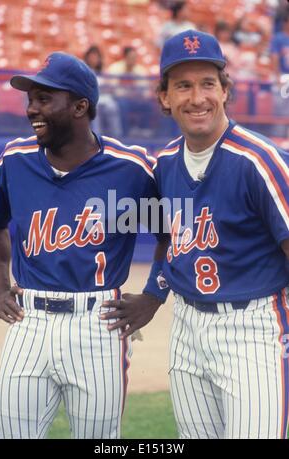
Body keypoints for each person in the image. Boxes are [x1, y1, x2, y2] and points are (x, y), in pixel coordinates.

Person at [101, 29, 289, 439]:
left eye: (208, 83)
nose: (197, 97)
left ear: (226, 91)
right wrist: (154, 293)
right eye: (183, 85)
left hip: (252, 329)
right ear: (164, 97)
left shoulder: (259, 161)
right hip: (187, 327)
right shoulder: (166, 163)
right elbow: (170, 240)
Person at [0, 51, 162, 439]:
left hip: (98, 324)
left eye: (44, 99)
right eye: (30, 99)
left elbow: (171, 235)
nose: (32, 108)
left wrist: (153, 296)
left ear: (81, 106)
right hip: (28, 322)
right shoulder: (16, 159)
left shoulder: (130, 168)